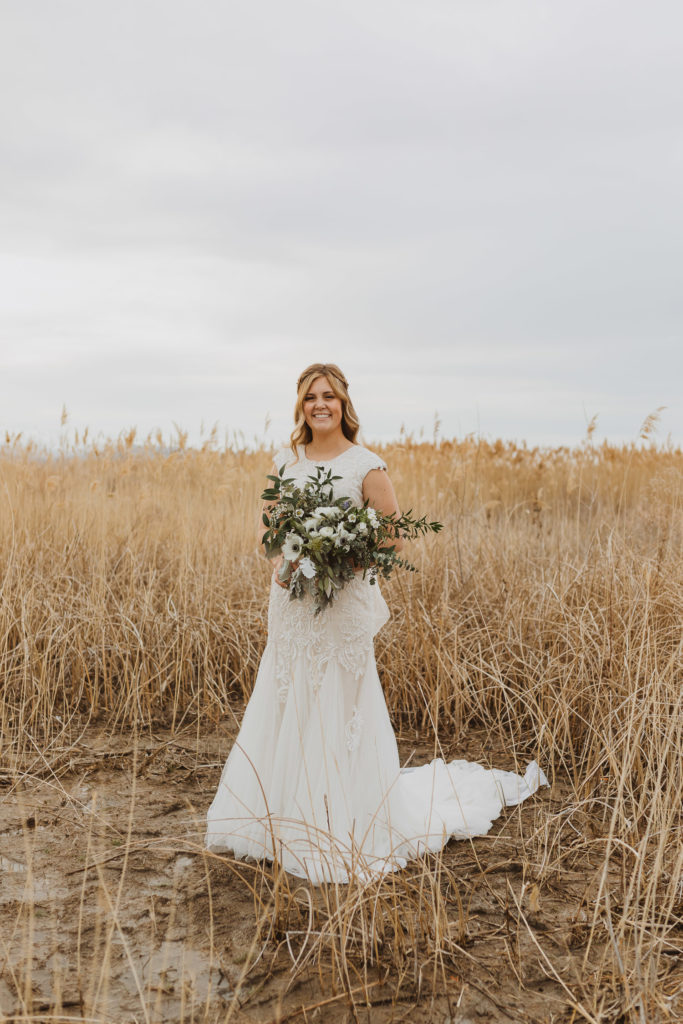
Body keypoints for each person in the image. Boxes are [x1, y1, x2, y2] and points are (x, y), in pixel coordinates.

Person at [204, 362, 547, 884]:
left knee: (338, 703)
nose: (320, 404)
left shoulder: (367, 466)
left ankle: (337, 820)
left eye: (330, 397)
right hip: (293, 607)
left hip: (340, 608)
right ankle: (278, 818)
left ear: (344, 404)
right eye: (311, 397)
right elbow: (266, 534)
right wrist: (284, 562)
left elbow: (392, 539)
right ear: (300, 406)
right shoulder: (286, 463)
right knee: (286, 694)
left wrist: (339, 560)